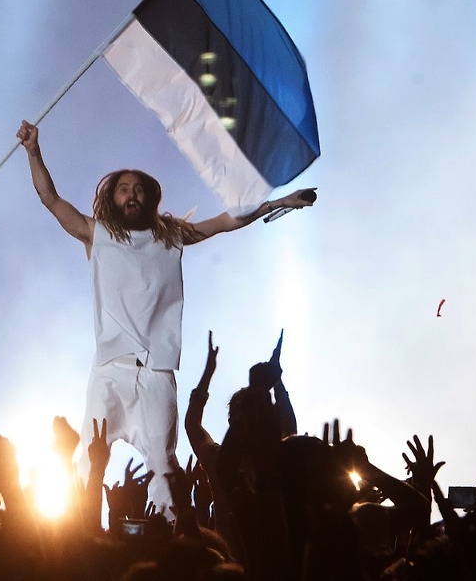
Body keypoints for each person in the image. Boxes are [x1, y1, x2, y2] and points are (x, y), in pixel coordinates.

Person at [16, 120, 315, 514]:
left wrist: (277, 203)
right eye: (124, 188)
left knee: (165, 468)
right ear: (112, 197)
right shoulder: (96, 233)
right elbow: (50, 199)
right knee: (89, 458)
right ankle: (80, 533)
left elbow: (225, 222)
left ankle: (169, 535)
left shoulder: (171, 236)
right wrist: (34, 151)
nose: (132, 194)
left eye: (138, 189)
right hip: (110, 370)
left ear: (150, 198)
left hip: (157, 372)